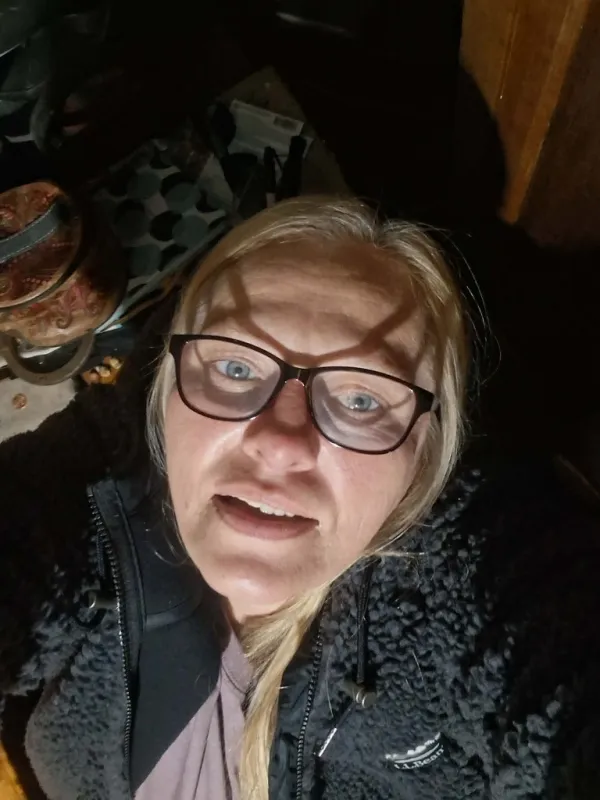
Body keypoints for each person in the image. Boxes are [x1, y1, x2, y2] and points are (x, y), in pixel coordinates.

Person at [0, 196, 599, 800]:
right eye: (236, 368)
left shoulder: (475, 571)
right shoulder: (98, 473)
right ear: (165, 390)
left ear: (426, 452)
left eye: (362, 400)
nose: (280, 443)